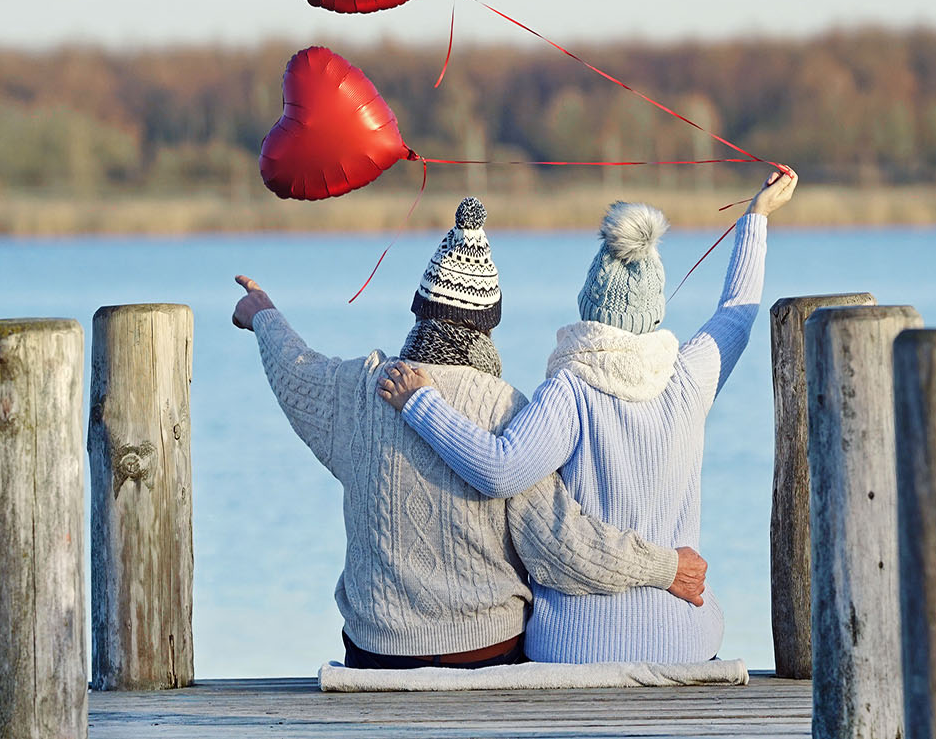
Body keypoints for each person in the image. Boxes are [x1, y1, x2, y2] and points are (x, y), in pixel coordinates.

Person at [232, 196, 709, 670]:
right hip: (484, 648)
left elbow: (296, 371)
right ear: (487, 325)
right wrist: (664, 568)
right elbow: (561, 545)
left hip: (378, 650)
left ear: (420, 307)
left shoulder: (359, 387)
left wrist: (263, 314)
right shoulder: (506, 407)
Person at [378, 167, 798, 663]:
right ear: (655, 312)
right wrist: (757, 217)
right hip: (682, 637)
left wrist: (421, 404)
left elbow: (499, 469)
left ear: (588, 304)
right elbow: (737, 311)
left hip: (575, 646)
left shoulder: (570, 388)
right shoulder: (689, 376)